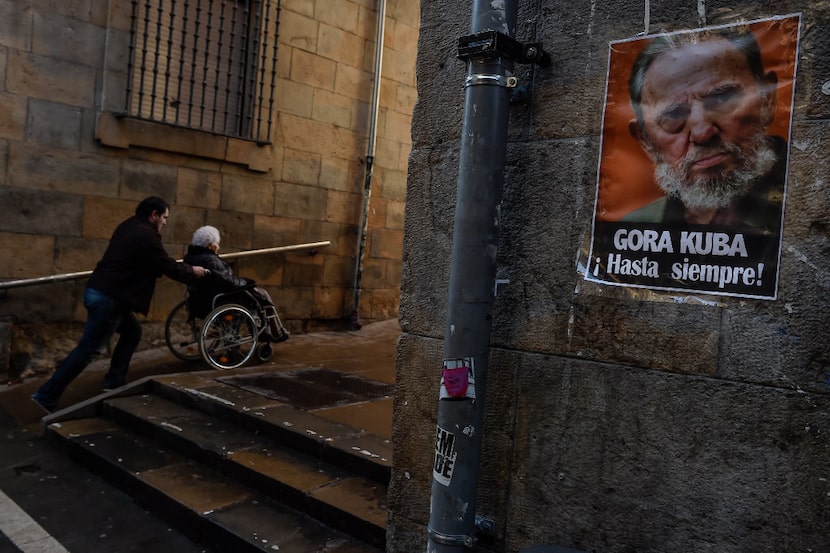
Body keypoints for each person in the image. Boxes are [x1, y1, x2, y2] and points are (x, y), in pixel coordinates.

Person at [32, 197, 210, 413]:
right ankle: (46, 396)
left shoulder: (129, 226)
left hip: (100, 291)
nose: (165, 222)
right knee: (88, 350)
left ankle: (114, 382)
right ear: (153, 215)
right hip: (110, 298)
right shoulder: (147, 235)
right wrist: (193, 271)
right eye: (164, 217)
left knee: (132, 332)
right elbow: (165, 264)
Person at [623, 28, 786, 230]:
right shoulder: (633, 228)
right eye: (674, 115)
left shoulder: (810, 206)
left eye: (721, 98)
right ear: (645, 140)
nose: (702, 133)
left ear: (767, 100)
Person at [183, 225, 289, 343]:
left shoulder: (189, 258)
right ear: (210, 246)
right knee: (261, 295)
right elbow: (228, 282)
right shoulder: (210, 259)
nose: (219, 247)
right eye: (217, 244)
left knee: (252, 296)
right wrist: (246, 282)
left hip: (200, 302)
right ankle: (275, 332)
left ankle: (263, 331)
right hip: (218, 301)